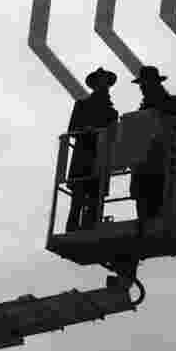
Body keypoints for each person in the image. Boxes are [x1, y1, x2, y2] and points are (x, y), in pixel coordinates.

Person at [65, 68, 119, 231]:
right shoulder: (82, 105)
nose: (103, 86)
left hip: (100, 159)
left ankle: (90, 227)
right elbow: (72, 129)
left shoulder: (112, 112)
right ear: (95, 85)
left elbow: (114, 137)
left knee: (96, 200)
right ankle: (73, 229)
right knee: (78, 199)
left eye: (105, 83)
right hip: (83, 158)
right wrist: (86, 129)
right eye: (100, 82)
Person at [130, 66, 176, 225]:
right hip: (147, 162)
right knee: (146, 198)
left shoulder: (166, 103)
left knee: (151, 198)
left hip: (156, 162)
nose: (142, 88)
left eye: (144, 84)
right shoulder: (163, 103)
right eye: (141, 85)